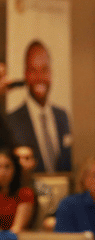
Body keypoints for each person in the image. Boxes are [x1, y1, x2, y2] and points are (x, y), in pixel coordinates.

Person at [6, 40, 72, 172]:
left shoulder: (62, 116)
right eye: (33, 70)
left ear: (51, 73)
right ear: (25, 74)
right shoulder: (11, 121)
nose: (39, 77)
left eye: (44, 70)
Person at [0, 147, 35, 233]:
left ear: (15, 169)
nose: (2, 172)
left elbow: (17, 229)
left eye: (7, 167)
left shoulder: (25, 193)